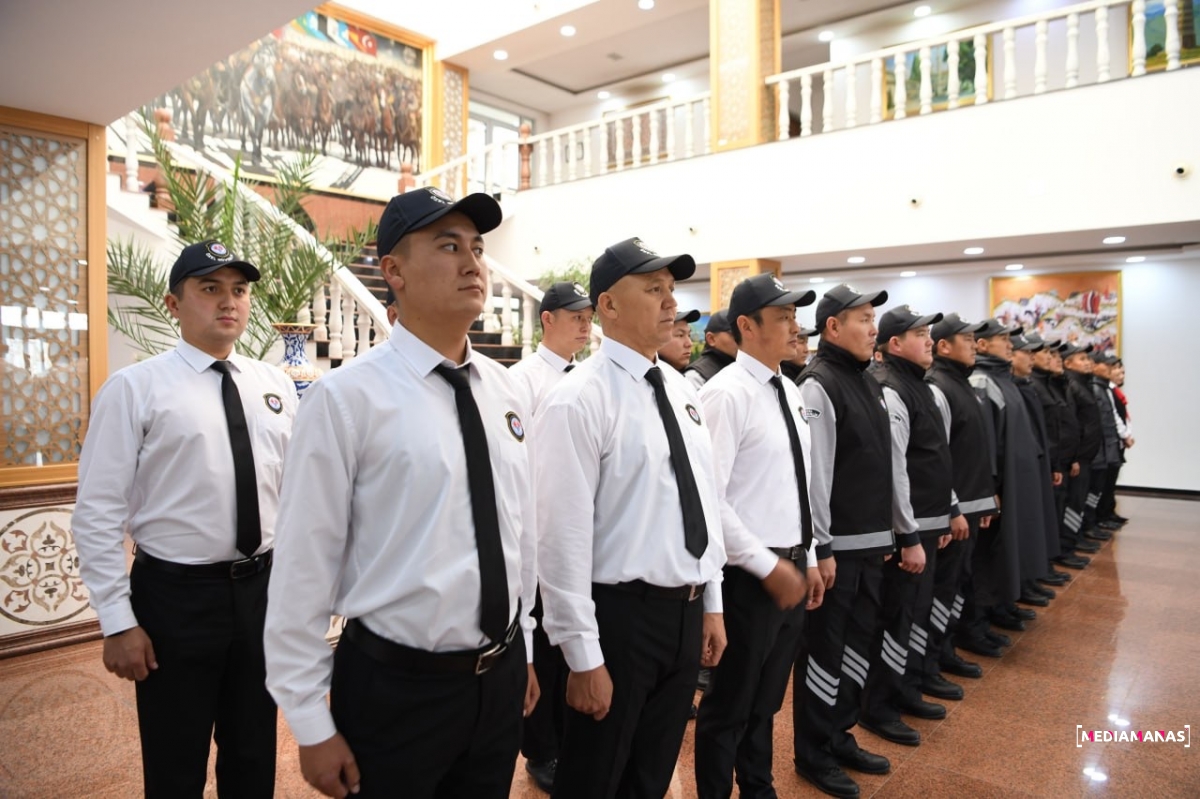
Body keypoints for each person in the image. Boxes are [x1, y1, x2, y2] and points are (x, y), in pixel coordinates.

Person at [264, 187, 539, 799]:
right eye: (448, 246)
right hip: (396, 690)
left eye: (477, 248)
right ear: (394, 271)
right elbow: (303, 567)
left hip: (498, 679)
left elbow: (520, 528)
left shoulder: (505, 391)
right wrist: (309, 720)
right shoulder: (347, 399)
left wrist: (522, 645)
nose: (473, 263)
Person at [72, 240, 297, 798]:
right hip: (176, 599)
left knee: (254, 753)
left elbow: (294, 493)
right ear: (174, 304)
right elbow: (97, 512)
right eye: (210, 288)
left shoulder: (273, 385)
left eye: (239, 290)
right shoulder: (135, 389)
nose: (229, 301)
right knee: (175, 761)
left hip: (261, 593)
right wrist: (117, 621)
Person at [534, 237, 728, 799]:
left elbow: (703, 501)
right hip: (620, 619)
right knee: (595, 777)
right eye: (653, 289)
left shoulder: (682, 390)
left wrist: (710, 601)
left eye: (670, 288)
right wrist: (582, 656)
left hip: (683, 612)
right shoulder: (579, 398)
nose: (671, 302)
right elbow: (560, 539)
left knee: (650, 776)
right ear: (609, 306)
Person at [694, 274, 823, 799]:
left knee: (766, 701)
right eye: (783, 317)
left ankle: (758, 786)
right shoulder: (725, 395)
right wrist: (767, 565)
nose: (795, 327)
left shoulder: (788, 389)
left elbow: (796, 484)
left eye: (795, 316)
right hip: (748, 574)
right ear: (747, 326)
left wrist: (808, 555)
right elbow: (711, 498)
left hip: (789, 563)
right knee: (730, 704)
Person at [792, 283, 897, 799]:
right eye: (863, 318)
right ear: (832, 327)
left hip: (870, 544)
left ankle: (840, 734)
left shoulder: (866, 380)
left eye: (873, 319)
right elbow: (817, 477)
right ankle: (814, 752)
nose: (873, 328)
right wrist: (823, 548)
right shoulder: (820, 384)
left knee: (857, 646)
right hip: (839, 550)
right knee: (824, 653)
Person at [507, 280, 595, 794]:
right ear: (547, 319)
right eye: (575, 316)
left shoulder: (587, 378)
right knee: (541, 647)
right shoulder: (522, 380)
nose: (585, 325)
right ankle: (541, 750)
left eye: (588, 317)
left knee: (572, 647)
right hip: (538, 535)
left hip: (579, 535)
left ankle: (567, 739)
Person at [859, 306, 960, 749]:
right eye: (920, 333)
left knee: (915, 614)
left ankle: (906, 686)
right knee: (895, 618)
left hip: (929, 523)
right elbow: (895, 470)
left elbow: (938, 456)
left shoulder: (923, 386)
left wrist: (947, 510)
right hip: (908, 532)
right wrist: (908, 534)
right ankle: (879, 706)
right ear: (895, 343)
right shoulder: (892, 389)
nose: (929, 340)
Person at [925, 315, 1000, 670]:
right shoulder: (939, 387)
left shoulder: (962, 383)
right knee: (944, 587)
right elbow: (940, 456)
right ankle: (936, 656)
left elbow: (974, 449)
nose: (974, 346)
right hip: (953, 510)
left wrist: (984, 498)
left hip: (970, 504)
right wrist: (952, 508)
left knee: (958, 581)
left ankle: (949, 647)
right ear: (944, 346)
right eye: (967, 340)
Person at [968, 321, 1046, 635]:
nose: (1010, 344)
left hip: (1017, 478)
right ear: (983, 345)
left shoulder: (1005, 378)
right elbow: (986, 440)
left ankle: (1004, 603)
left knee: (1009, 547)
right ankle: (983, 615)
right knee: (991, 551)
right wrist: (990, 486)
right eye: (1003, 339)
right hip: (1000, 484)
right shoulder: (982, 380)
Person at [1009, 332, 1062, 607]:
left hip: (1036, 462)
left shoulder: (1027, 385)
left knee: (1035, 524)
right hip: (1021, 469)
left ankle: (1031, 578)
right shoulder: (1012, 387)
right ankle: (1023, 583)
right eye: (1026, 352)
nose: (1031, 358)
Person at [1029, 337, 1076, 588]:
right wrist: (1053, 465)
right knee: (1046, 519)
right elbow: (1042, 433)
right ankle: (1041, 568)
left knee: (1053, 516)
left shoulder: (1049, 384)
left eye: (1054, 354)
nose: (1051, 357)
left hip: (1056, 462)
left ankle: (1047, 564)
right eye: (1046, 353)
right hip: (1045, 464)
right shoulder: (1035, 385)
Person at [1060, 343, 1101, 565]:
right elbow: (1072, 424)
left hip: (1086, 457)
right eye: (1082, 359)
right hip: (1078, 458)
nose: (1088, 362)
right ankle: (1067, 545)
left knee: (1079, 501)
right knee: (1073, 502)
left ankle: (1075, 538)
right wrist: (1074, 457)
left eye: (1088, 358)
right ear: (1068, 363)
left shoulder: (1084, 384)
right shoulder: (1072, 385)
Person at [684, 308, 737, 388]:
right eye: (734, 335)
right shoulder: (696, 377)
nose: (741, 340)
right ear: (711, 339)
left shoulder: (742, 368)